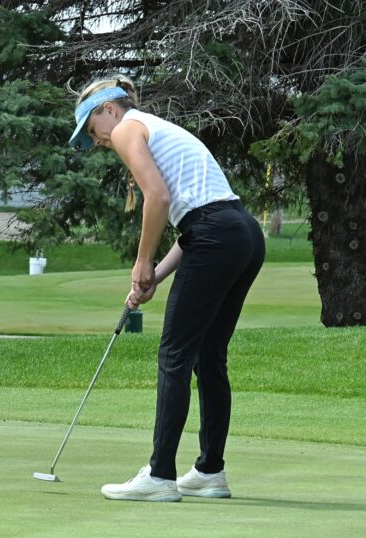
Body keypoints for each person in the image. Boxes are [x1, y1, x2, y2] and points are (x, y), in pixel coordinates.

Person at [69, 75, 265, 502]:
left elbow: (155, 197)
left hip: (216, 233)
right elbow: (194, 226)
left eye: (91, 130)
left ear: (108, 110)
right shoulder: (158, 128)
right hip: (241, 233)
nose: (98, 141)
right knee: (209, 357)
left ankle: (159, 476)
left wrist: (141, 261)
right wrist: (154, 275)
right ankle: (210, 471)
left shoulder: (126, 127)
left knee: (175, 354)